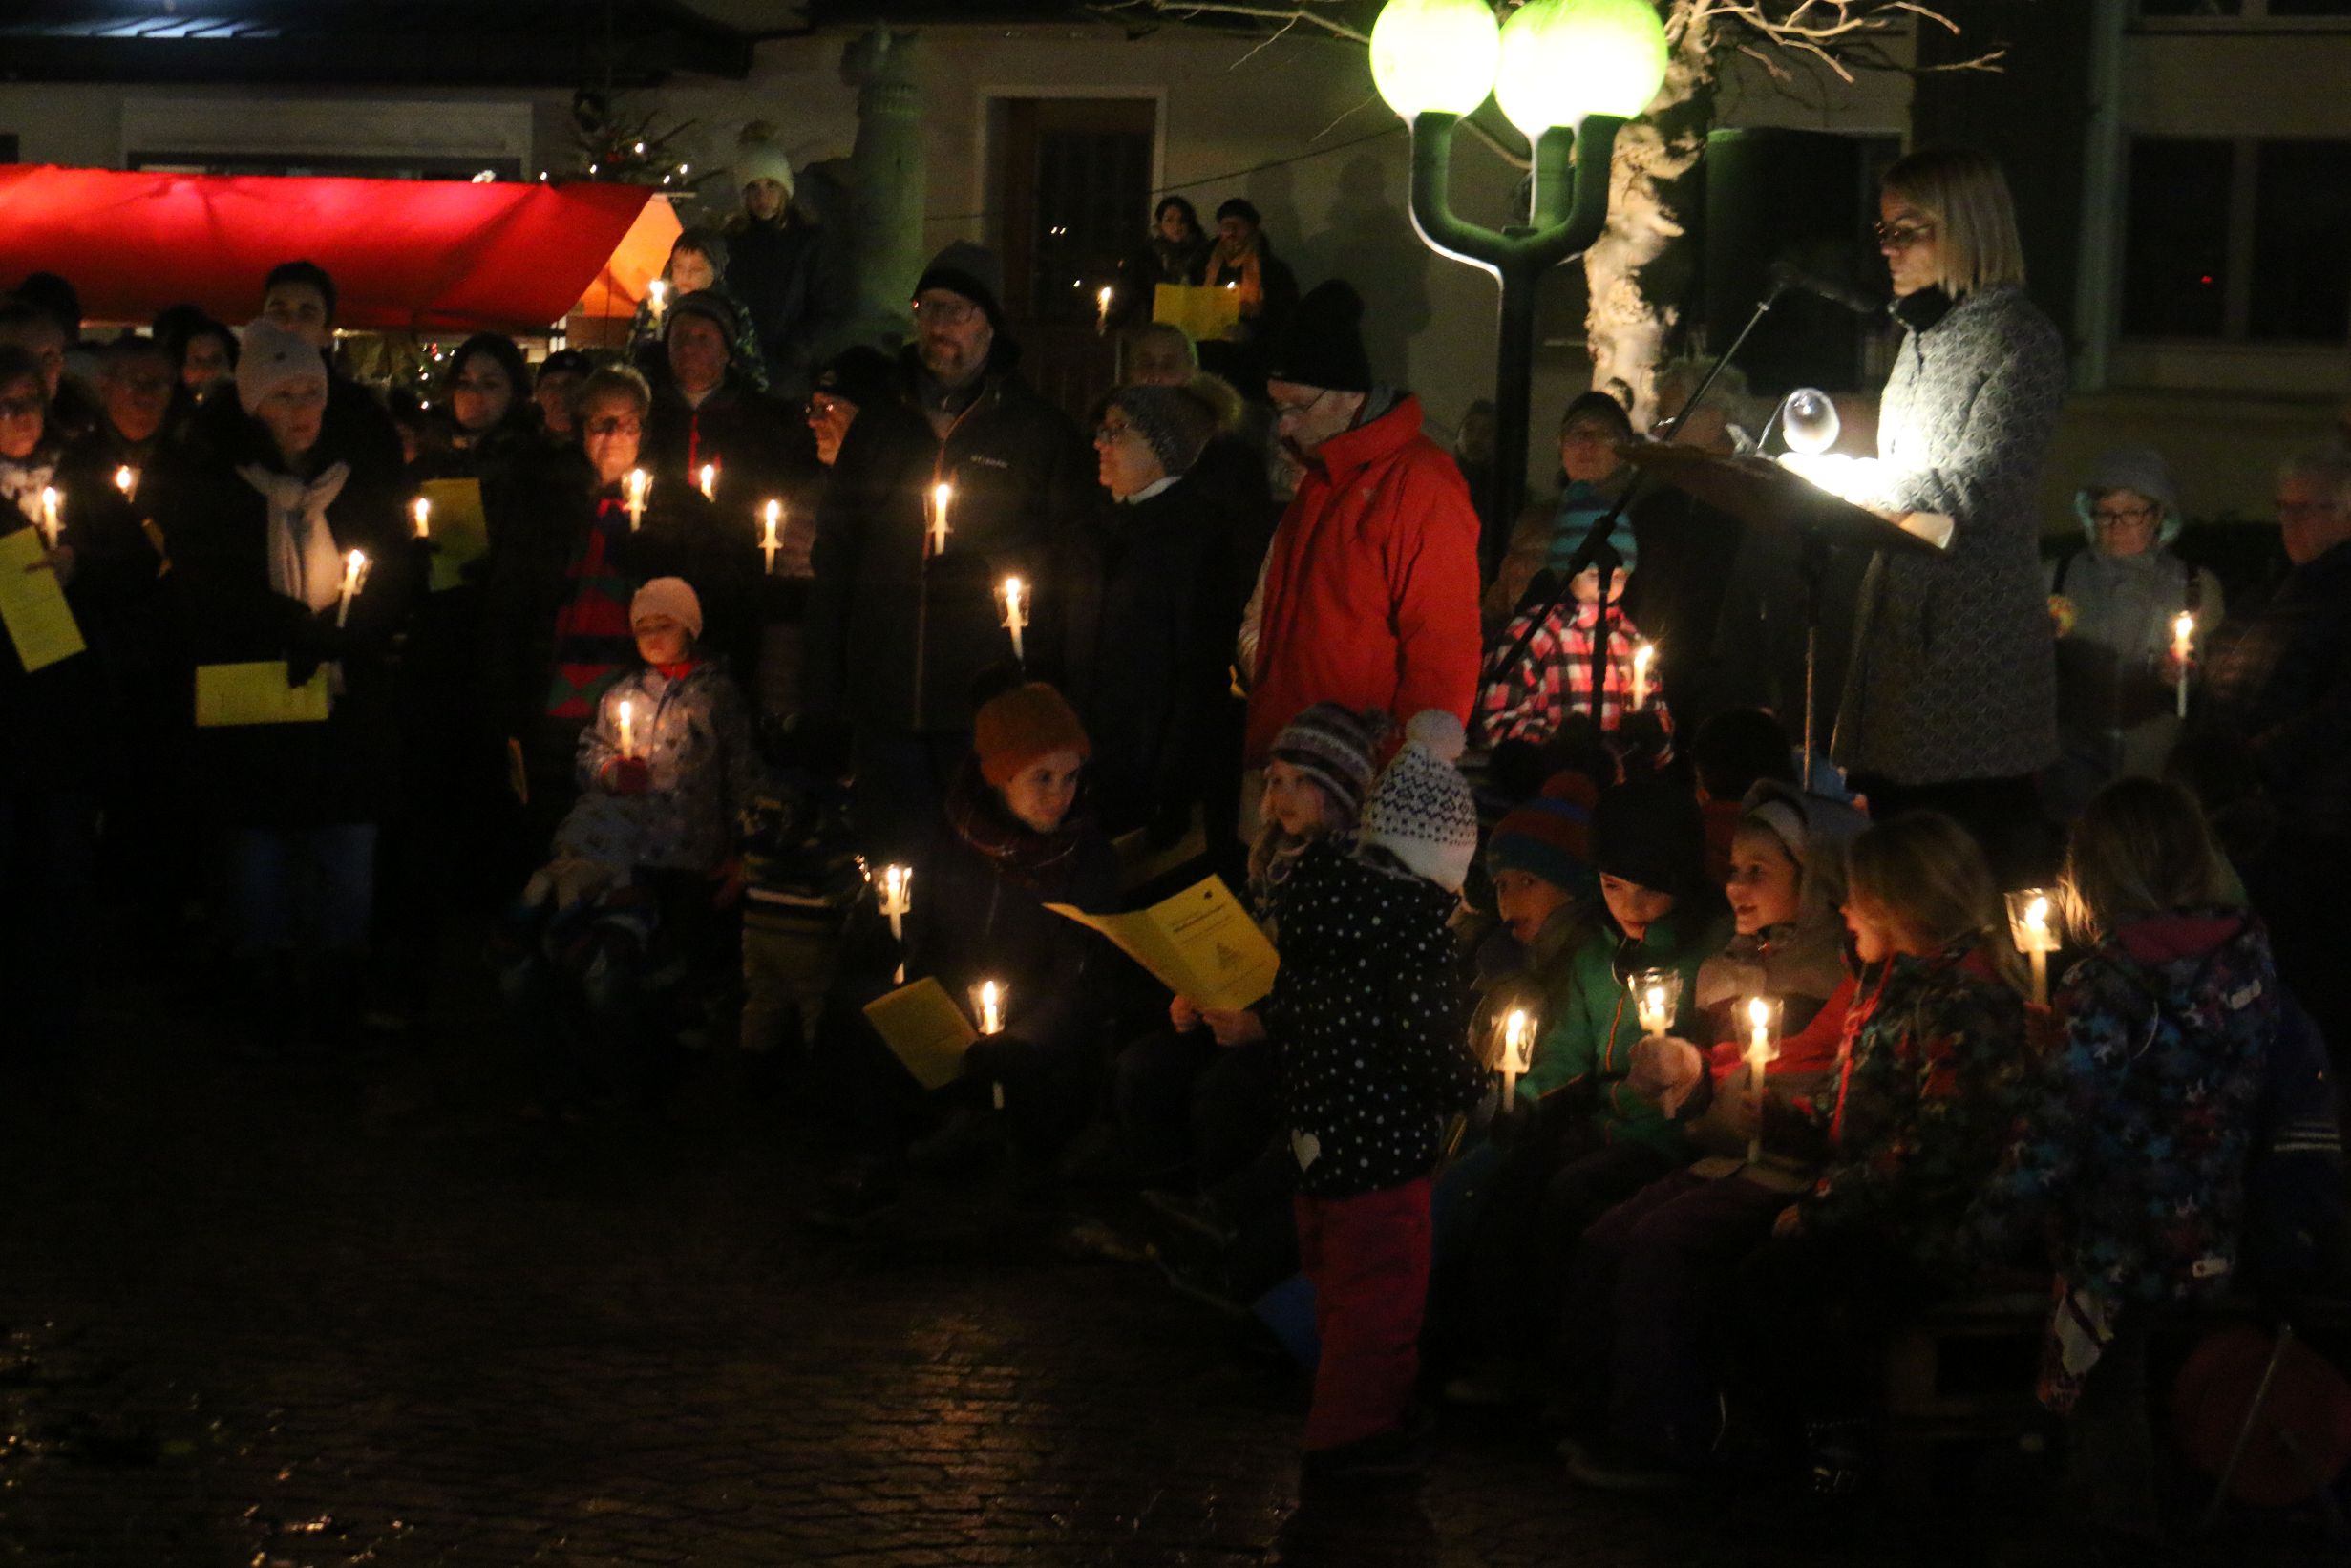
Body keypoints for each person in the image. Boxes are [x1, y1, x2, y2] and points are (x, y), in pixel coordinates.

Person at [1959, 778, 2277, 1539]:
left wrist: (1979, 1234)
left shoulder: (2109, 984)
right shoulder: (2245, 959)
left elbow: (2055, 1131)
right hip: (2207, 1221)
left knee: (2107, 1401)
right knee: (2138, 1389)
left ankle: (2121, 1537)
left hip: (2116, 1239)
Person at [1553, 781, 1865, 1486]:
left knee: (1662, 1243)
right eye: (1733, 868)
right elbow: (1710, 1088)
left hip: (1790, 1170)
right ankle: (1591, 1411)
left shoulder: (1841, 974)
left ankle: (1662, 1438)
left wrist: (1765, 1114)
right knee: (1606, 1236)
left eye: (1761, 871)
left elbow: (1833, 1093)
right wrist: (1682, 1077)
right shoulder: (1725, 969)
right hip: (1723, 1159)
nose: (1737, 886)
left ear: (1815, 877)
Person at [1728, 811, 2030, 1492]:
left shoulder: (1963, 1001)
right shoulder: (1896, 987)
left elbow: (1939, 1148)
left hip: (1938, 1229)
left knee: (1787, 1285)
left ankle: (1834, 1465)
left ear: (1898, 907)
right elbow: (1862, 1109)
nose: (1843, 910)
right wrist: (1788, 1122)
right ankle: (1775, 1455)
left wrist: (1826, 1208)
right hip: (1880, 1209)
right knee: (1745, 1253)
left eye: (1856, 897)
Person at [1237, 710, 1486, 1479]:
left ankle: (1342, 1401)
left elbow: (1288, 1012)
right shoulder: (1415, 937)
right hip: (1383, 1151)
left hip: (1316, 1140)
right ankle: (1354, 1436)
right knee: (1382, 1296)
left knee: (1335, 1283)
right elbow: (1426, 1042)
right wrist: (1471, 1085)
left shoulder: (1318, 905)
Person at [164, 318, 416, 1051]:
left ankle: (337, 993)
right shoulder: (218, 488)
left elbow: (391, 570)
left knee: (345, 847)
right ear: (252, 405)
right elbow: (206, 588)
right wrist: (283, 626)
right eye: (283, 395)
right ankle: (264, 995)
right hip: (257, 700)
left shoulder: (358, 479)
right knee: (259, 853)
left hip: (344, 702)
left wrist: (346, 631)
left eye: (312, 392)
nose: (302, 409)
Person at [1815, 147, 2066, 880]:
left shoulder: (2020, 338)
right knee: (1896, 867)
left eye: (1907, 230)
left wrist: (1854, 480)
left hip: (1970, 663)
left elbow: (1985, 488)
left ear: (1967, 227)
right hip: (1900, 647)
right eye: (1883, 231)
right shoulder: (1921, 339)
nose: (1887, 249)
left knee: (1957, 873)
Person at [802, 245, 1093, 854]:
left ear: (990, 322)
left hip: (987, 711)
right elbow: (837, 558)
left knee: (976, 868)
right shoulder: (880, 427)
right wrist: (823, 696)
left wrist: (989, 572)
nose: (938, 325)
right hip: (884, 704)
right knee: (894, 867)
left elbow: (1072, 557)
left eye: (956, 310)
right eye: (928, 308)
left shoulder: (1037, 433)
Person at [498, 578, 756, 1113]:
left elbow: (742, 777)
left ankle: (675, 1075)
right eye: (642, 629)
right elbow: (589, 753)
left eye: (664, 625)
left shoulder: (718, 695)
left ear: (690, 627)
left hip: (690, 858)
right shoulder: (623, 694)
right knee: (620, 963)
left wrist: (744, 852)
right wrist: (609, 770)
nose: (653, 637)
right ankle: (616, 1070)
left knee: (676, 973)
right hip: (626, 856)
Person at [1239, 280, 1481, 796]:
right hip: (1296, 771)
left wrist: (1407, 780)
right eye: (1278, 409)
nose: (1285, 427)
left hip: (1357, 778)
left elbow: (1443, 655)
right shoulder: (1323, 480)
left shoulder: (1420, 485)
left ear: (1350, 395)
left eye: (1298, 407)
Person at [2194, 448, 2351, 1095]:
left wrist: (2257, 756)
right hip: (2251, 820)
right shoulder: (2273, 587)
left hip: (2313, 827)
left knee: (2313, 980)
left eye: (2310, 509)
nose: (2292, 524)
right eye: (2284, 508)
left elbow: (2337, 714)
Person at [1053, 381, 1238, 840]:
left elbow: (1198, 673)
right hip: (1077, 758)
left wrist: (1171, 785)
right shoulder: (1091, 525)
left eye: (1117, 430)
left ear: (1162, 447)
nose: (1100, 443)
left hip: (1145, 767)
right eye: (1101, 429)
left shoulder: (1195, 536)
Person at [0, 345, 107, 1104]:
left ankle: (53, 1036)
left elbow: (131, 564)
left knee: (59, 881)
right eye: (5, 405)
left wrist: (78, 564)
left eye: (31, 401)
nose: (22, 418)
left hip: (63, 719)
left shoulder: (79, 477)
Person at [2043, 446, 2223, 820]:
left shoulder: (2194, 587)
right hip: (2070, 764)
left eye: (2131, 513)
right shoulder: (2055, 578)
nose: (2116, 525)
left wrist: (2184, 676)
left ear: (2157, 515)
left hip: (2152, 766)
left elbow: (2211, 682)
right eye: (2105, 513)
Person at [1474, 504, 1666, 751]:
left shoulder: (1629, 639)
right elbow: (1496, 721)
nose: (1607, 587)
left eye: (1619, 578)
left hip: (1619, 772)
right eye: (1595, 576)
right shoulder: (1531, 635)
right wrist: (1563, 745)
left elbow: (1658, 716)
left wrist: (1653, 740)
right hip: (1550, 772)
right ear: (1567, 570)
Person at [1486, 391, 1637, 625]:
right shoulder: (1535, 518)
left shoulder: (1636, 519)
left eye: (1602, 433)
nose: (1587, 442)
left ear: (1624, 449)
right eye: (1577, 432)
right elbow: (1497, 604)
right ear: (1561, 446)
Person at [722, 138, 830, 397]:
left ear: (783, 188)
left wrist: (796, 353)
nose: (763, 197)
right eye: (753, 187)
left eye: (770, 185)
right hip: (741, 367)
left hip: (790, 373)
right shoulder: (732, 242)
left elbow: (826, 307)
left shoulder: (807, 241)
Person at [627, 228, 766, 392]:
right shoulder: (654, 304)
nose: (686, 275)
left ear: (716, 271)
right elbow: (633, 353)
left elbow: (751, 367)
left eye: (696, 269)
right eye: (679, 267)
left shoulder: (729, 311)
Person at [1201, 198, 1299, 371]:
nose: (1231, 232)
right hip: (1210, 358)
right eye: (1225, 226)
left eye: (1238, 225)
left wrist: (1251, 331)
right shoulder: (1204, 265)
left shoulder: (1273, 271)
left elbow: (1286, 317)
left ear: (1253, 228)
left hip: (1255, 360)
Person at [1113, 196, 1212, 328]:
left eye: (1182, 220)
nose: (1176, 226)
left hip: (1194, 325)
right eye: (1169, 220)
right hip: (1156, 328)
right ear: (1160, 224)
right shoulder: (1147, 257)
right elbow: (1129, 293)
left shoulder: (1204, 255)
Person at [531, 349, 589, 444]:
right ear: (537, 394)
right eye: (550, 386)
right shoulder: (520, 447)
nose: (561, 394)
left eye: (571, 384)